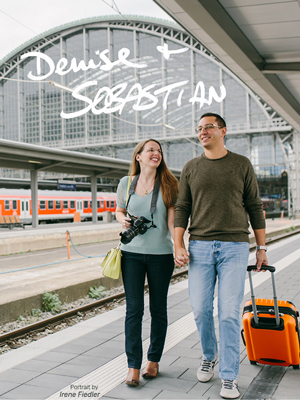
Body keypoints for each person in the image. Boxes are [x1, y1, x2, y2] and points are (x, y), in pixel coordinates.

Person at [174, 113, 268, 399]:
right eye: (199, 129)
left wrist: (261, 248)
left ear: (223, 131)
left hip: (235, 247)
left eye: (208, 127)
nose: (203, 132)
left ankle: (229, 375)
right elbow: (182, 207)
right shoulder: (191, 167)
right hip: (200, 246)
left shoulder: (241, 164)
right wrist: (178, 244)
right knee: (201, 310)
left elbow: (254, 205)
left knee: (228, 314)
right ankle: (209, 355)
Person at [116, 139, 179, 387]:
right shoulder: (126, 183)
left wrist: (179, 247)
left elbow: (173, 222)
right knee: (134, 310)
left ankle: (153, 360)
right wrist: (122, 220)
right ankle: (133, 365)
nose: (156, 153)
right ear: (139, 156)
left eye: (159, 151)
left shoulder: (170, 184)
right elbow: (119, 210)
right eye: (151, 150)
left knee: (158, 309)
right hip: (130, 253)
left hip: (161, 255)